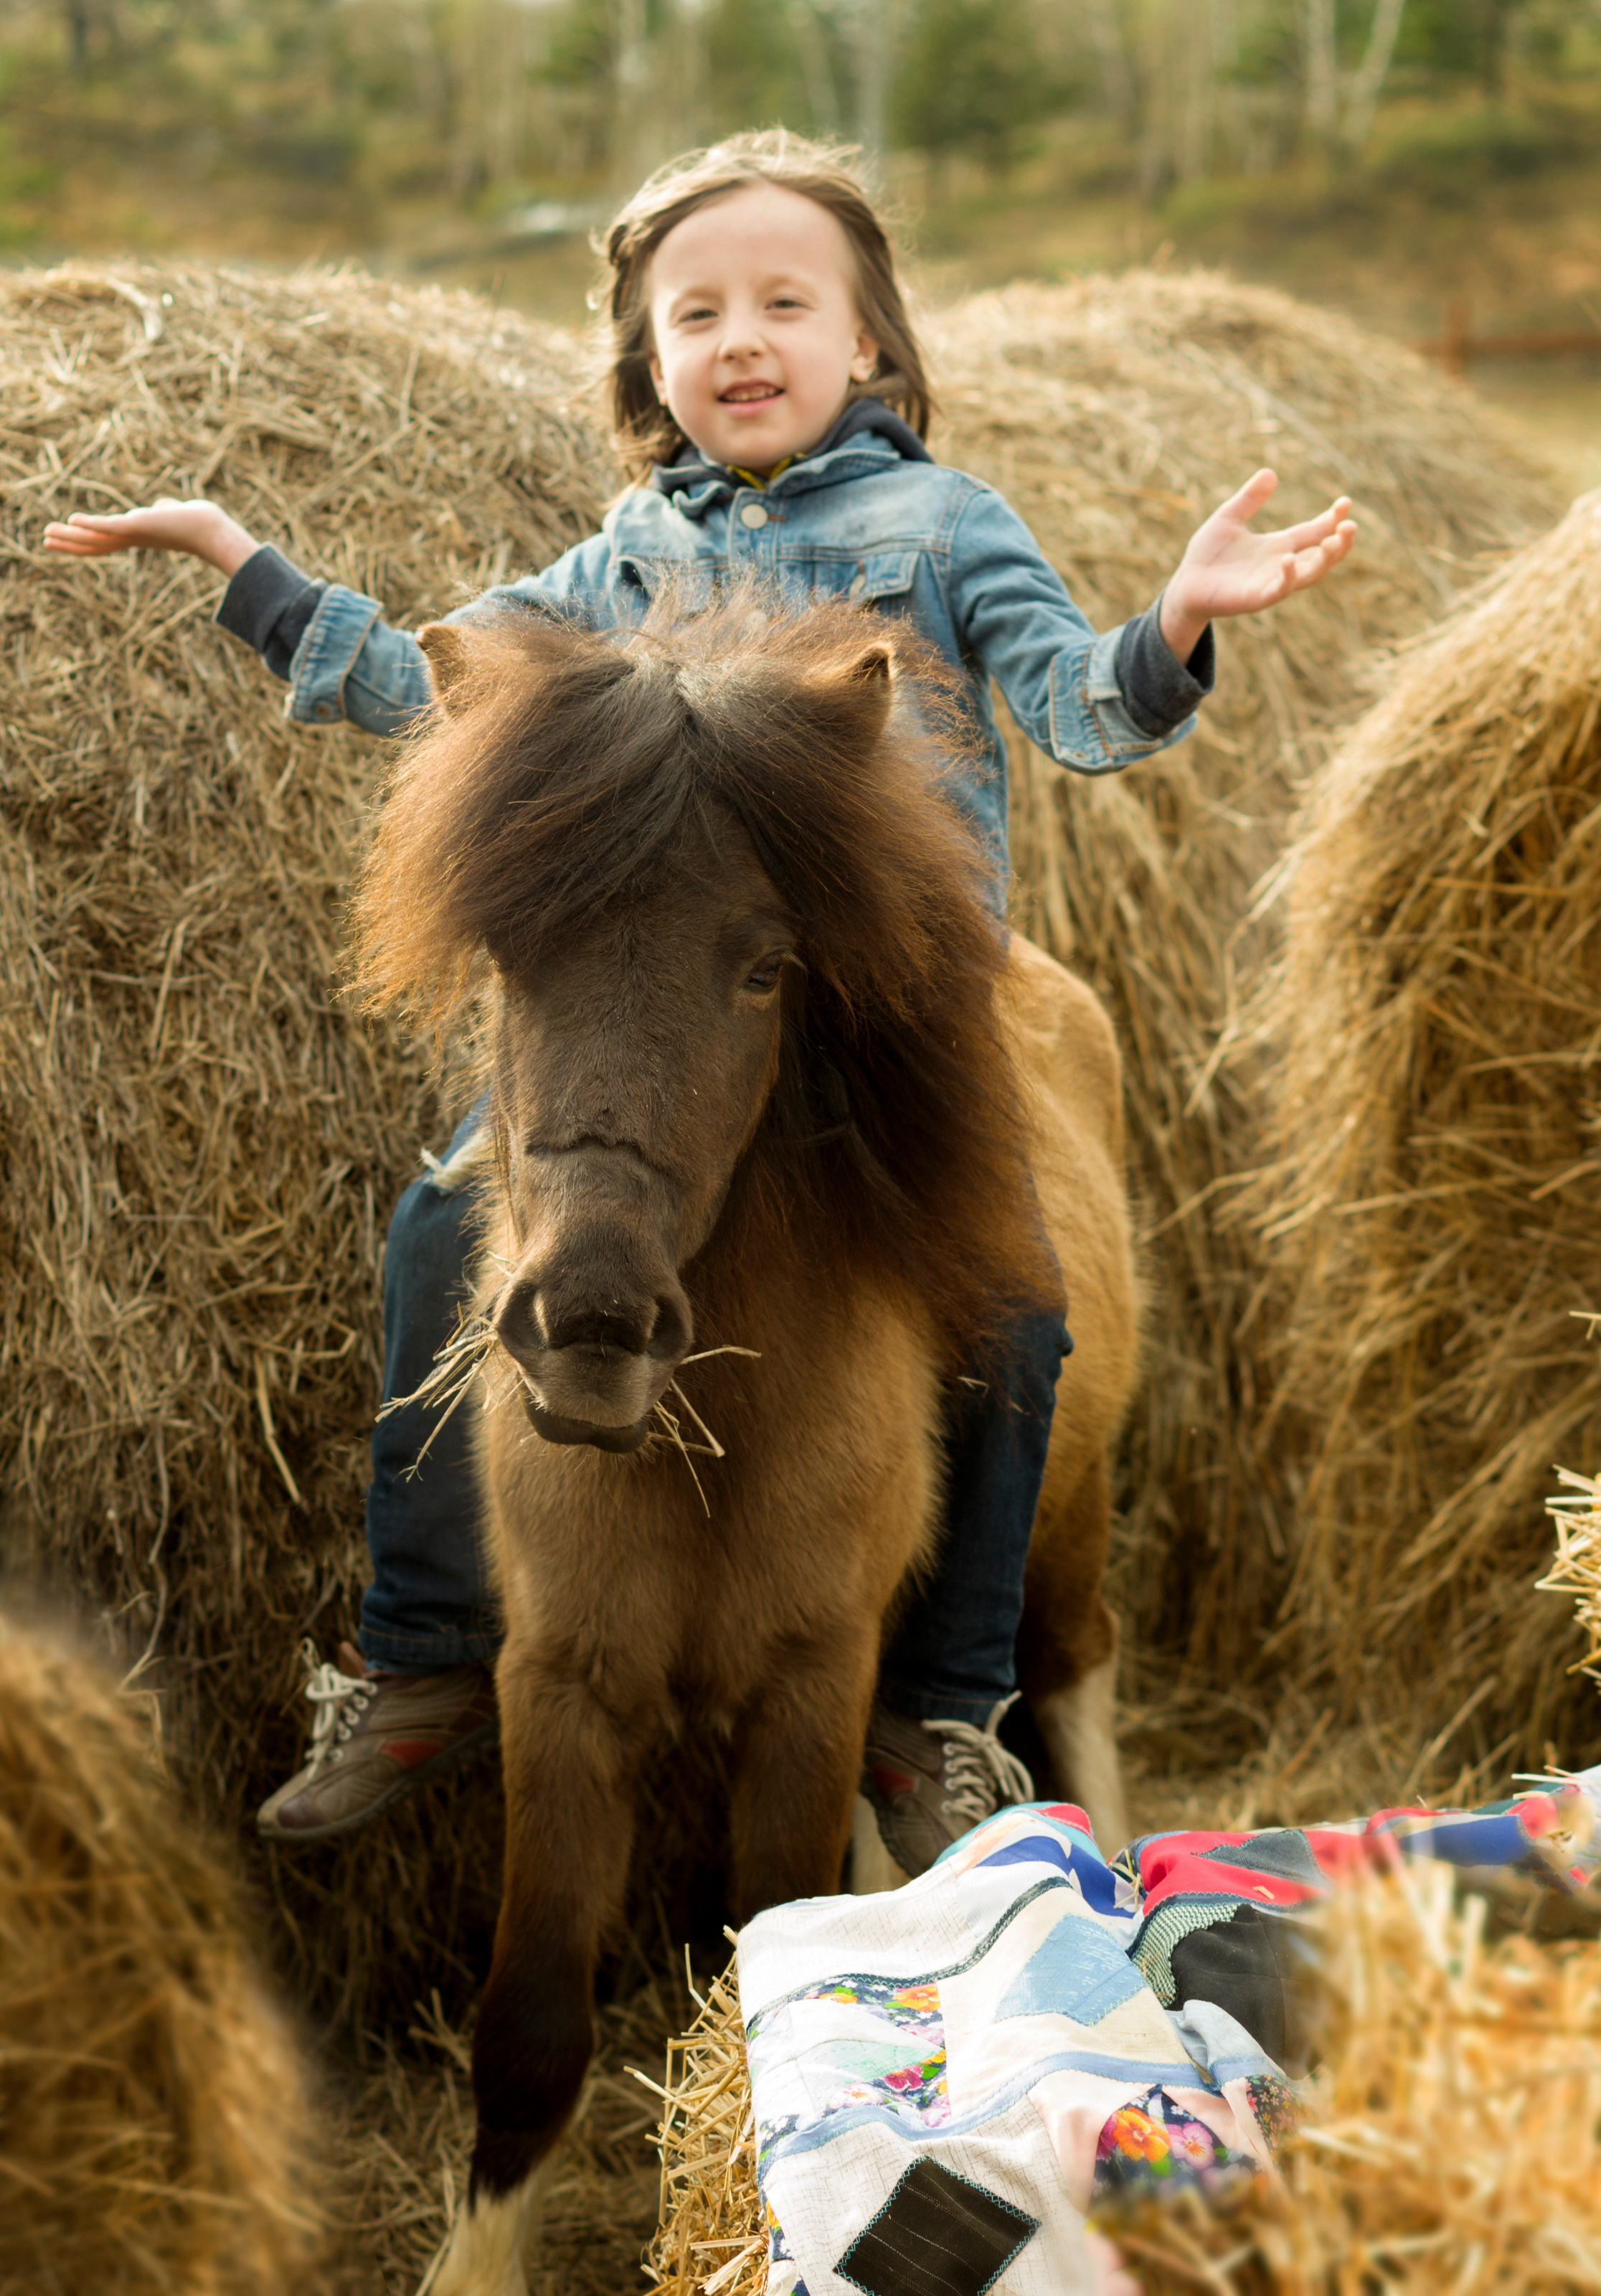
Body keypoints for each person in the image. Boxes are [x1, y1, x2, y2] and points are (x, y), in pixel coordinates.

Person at [45, 131, 1354, 1876]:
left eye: (783, 303)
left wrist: (1174, 625)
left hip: (889, 1027)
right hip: (661, 1037)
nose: (740, 337)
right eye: (695, 313)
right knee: (446, 1217)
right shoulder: (621, 558)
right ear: (648, 365)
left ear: (868, 343)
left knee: (1021, 1311)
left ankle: (944, 1715)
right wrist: (247, 570)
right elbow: (425, 682)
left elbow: (1075, 708)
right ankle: (425, 1649)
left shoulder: (945, 527)